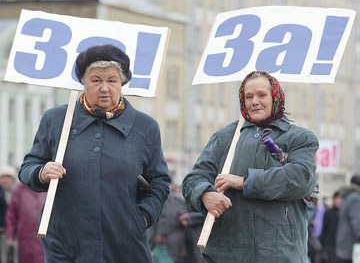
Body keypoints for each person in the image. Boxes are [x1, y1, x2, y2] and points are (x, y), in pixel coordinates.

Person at [18, 44, 170, 263]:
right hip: (65, 243)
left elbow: (159, 182)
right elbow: (28, 167)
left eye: (112, 80)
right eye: (96, 80)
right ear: (83, 82)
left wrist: (142, 218)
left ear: (123, 83)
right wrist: (41, 172)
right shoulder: (56, 120)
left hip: (124, 245)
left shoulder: (145, 127)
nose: (105, 88)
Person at [182, 71, 319, 263]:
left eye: (262, 95)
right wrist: (205, 194)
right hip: (225, 256)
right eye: (248, 96)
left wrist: (244, 182)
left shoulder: (299, 138)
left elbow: (301, 178)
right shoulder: (224, 138)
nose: (254, 101)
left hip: (280, 256)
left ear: (275, 97)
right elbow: (193, 179)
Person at [5, 183, 46, 263]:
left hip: (45, 238)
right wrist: (10, 236)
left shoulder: (48, 187)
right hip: (26, 237)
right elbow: (11, 215)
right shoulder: (20, 190)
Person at [336, 174, 360, 263]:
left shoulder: (347, 197)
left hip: (344, 247)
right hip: (352, 249)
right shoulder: (356, 199)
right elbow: (357, 226)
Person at [320, 191, 342, 263]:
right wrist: (323, 245)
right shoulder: (328, 212)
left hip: (341, 246)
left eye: (340, 198)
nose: (338, 200)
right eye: (336, 198)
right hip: (330, 246)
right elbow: (324, 229)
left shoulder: (344, 213)